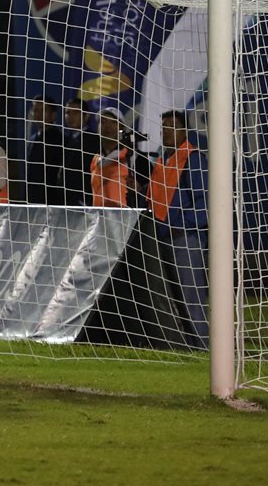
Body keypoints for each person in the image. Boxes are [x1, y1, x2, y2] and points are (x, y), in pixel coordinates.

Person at [148, 110, 209, 347]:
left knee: (191, 299)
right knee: (172, 301)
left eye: (173, 126)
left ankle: (203, 350)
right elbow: (164, 198)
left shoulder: (192, 159)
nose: (167, 131)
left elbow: (207, 203)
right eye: (164, 126)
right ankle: (185, 347)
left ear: (184, 131)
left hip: (185, 240)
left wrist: (179, 225)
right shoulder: (164, 160)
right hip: (161, 240)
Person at [89, 107, 151, 208]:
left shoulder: (134, 157)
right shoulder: (95, 159)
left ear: (122, 128)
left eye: (113, 122)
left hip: (125, 220)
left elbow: (152, 191)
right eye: (103, 122)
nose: (108, 126)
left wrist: (140, 191)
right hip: (99, 220)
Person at [24, 95, 63, 205]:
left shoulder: (61, 141)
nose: (38, 114)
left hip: (53, 205)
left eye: (43, 110)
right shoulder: (32, 139)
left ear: (53, 115)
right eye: (36, 110)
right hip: (32, 204)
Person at [60, 97, 99, 206]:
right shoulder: (67, 140)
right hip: (66, 202)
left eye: (76, 112)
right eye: (68, 112)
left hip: (84, 203)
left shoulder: (94, 140)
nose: (71, 116)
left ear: (86, 116)